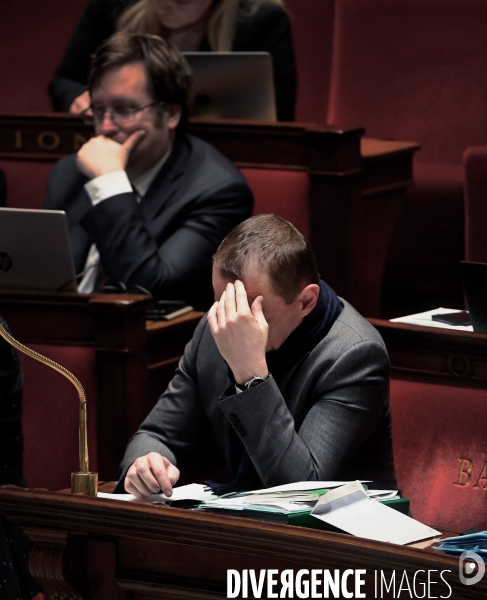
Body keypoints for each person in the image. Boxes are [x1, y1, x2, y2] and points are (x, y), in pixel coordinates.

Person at [117, 214, 397, 498]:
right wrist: (146, 463)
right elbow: (156, 435)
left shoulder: (355, 355)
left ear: (306, 301)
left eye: (253, 310)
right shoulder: (218, 327)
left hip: (343, 533)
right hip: (247, 525)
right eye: (223, 302)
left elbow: (301, 486)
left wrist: (251, 376)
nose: (234, 321)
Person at [44, 32, 253, 309]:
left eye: (124, 109)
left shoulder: (218, 192)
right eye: (98, 109)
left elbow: (148, 288)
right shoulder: (69, 172)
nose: (106, 127)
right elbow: (42, 282)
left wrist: (110, 185)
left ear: (170, 114)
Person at [49, 0, 296, 121]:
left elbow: (279, 118)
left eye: (180, 0)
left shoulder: (261, 21)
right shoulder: (112, 5)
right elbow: (65, 80)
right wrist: (78, 99)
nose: (164, 5)